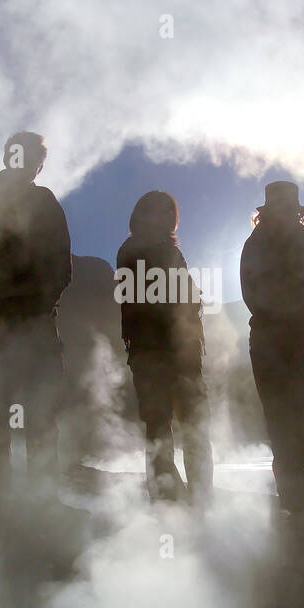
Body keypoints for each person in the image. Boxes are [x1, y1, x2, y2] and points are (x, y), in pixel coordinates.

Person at [0, 132, 71, 504]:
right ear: (8, 155)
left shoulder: (46, 201)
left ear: (39, 164)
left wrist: (40, 301)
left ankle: (42, 502)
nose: (29, 162)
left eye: (37, 157)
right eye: (23, 153)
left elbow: (61, 262)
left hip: (35, 321)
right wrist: (2, 285)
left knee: (39, 414)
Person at [240, 181, 304, 533]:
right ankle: (303, 508)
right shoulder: (261, 245)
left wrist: (294, 318)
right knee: (290, 425)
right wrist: (294, 318)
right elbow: (251, 293)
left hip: (294, 341)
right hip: (284, 342)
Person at [116, 191, 214, 501]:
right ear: (141, 216)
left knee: (187, 426)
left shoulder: (163, 252)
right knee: (165, 427)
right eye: (156, 212)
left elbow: (183, 296)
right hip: (155, 351)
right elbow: (152, 299)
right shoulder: (134, 250)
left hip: (174, 351)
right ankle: (174, 500)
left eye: (166, 214)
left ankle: (193, 498)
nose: (162, 219)